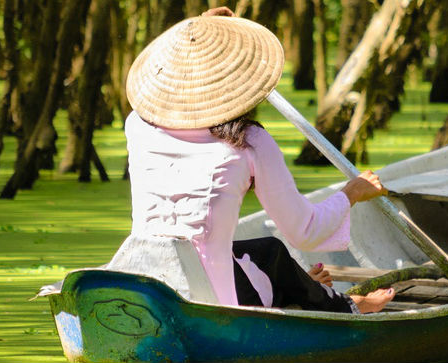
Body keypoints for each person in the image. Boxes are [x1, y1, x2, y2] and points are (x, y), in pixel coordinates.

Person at [116, 7, 395, 314]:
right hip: (211, 301)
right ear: (238, 82)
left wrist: (198, 33)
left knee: (267, 251)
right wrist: (352, 192)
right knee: (269, 254)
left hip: (140, 282)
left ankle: (303, 288)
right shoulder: (250, 142)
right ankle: (340, 304)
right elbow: (305, 229)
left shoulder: (138, 126)